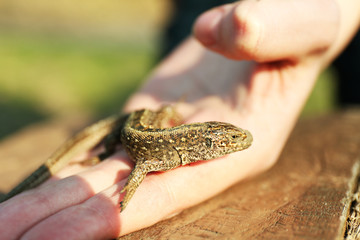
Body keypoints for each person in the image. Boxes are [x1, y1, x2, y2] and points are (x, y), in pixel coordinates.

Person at [0, 0, 359, 239]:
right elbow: (140, 167)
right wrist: (127, 193)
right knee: (111, 146)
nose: (235, 144)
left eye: (231, 140)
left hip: (155, 115)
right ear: (207, 143)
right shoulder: (167, 153)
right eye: (228, 142)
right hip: (129, 125)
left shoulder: (185, 146)